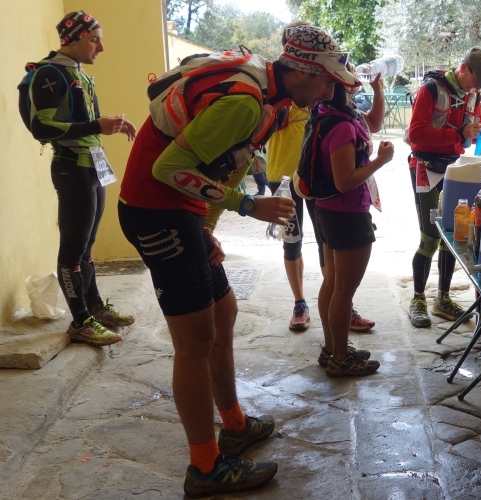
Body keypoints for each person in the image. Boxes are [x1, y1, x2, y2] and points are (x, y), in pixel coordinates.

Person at [118, 25, 356, 497]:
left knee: (223, 313)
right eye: (327, 81)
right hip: (155, 211)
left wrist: (206, 228)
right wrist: (246, 206)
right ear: (302, 72)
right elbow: (167, 168)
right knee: (194, 340)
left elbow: (229, 162)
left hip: (180, 212)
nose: (331, 92)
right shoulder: (246, 102)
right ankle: (205, 468)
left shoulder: (272, 100)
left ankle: (234, 423)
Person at [26, 11, 137, 347]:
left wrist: (110, 124)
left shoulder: (78, 73)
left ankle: (95, 307)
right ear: (72, 39)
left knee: (87, 245)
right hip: (71, 167)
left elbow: (83, 121)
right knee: (73, 249)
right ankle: (80, 322)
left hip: (91, 166)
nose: (100, 47)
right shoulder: (51, 73)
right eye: (93, 40)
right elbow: (41, 127)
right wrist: (95, 126)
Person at [262, 20, 376, 333]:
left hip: (318, 179)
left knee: (327, 244)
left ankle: (340, 304)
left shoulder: (318, 86)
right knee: (292, 241)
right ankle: (300, 303)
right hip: (285, 178)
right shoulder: (283, 91)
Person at [310, 66, 393, 376]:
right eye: (350, 78)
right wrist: (380, 161)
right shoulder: (342, 126)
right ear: (342, 86)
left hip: (328, 209)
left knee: (333, 284)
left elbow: (374, 122)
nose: (356, 81)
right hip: (347, 212)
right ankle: (341, 359)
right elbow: (344, 181)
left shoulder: (327, 112)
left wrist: (378, 89)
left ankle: (333, 348)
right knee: (344, 290)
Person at [406, 47, 481, 328]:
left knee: (452, 232)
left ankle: (443, 298)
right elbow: (415, 134)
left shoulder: (473, 96)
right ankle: (418, 299)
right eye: (475, 80)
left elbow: (469, 136)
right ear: (464, 67)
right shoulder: (431, 90)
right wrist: (458, 133)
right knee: (430, 237)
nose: (476, 87)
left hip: (454, 169)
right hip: (425, 168)